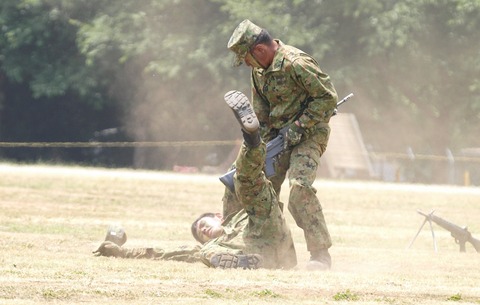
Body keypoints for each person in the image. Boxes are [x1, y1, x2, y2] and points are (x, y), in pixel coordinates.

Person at [94, 91, 297, 270]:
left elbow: (247, 189)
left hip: (266, 225)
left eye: (202, 225)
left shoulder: (238, 214)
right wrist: (120, 252)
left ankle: (251, 138)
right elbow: (164, 253)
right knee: (206, 253)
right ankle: (247, 263)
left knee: (239, 179)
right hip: (261, 255)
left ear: (218, 216)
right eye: (202, 235)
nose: (203, 231)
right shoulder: (215, 246)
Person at [224, 19, 338, 271]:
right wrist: (259, 151)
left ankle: (320, 255)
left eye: (246, 58)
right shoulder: (259, 71)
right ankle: (255, 248)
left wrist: (298, 128)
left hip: (308, 135)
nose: (246, 64)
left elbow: (328, 98)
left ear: (260, 51)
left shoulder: (296, 63)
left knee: (299, 187)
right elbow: (261, 116)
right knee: (250, 185)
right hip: (278, 137)